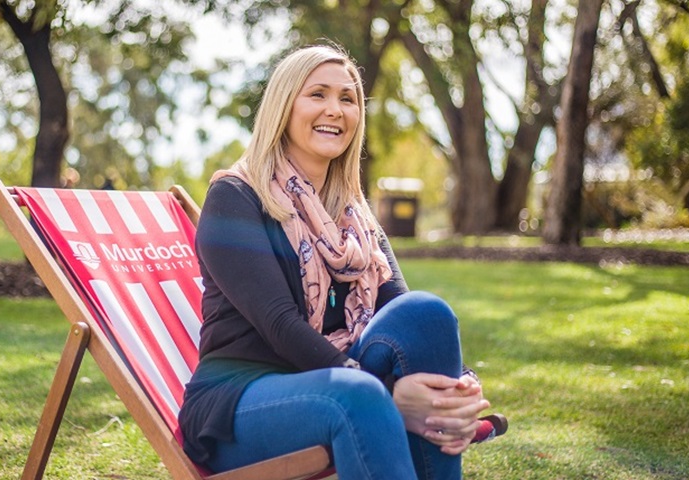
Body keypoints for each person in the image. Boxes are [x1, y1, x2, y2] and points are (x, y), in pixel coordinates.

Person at [178, 44, 500, 480]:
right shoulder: (235, 199)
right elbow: (279, 324)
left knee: (426, 313)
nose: (335, 109)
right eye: (318, 94)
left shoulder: (355, 216)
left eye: (347, 98)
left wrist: (459, 385)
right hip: (239, 406)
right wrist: (390, 394)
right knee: (359, 396)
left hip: (338, 382)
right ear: (283, 107)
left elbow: (397, 306)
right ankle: (388, 402)